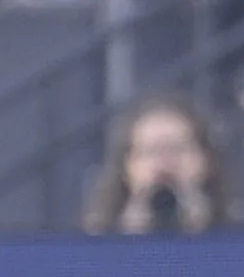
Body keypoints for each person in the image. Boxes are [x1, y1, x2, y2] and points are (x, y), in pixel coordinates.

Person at [82, 93, 230, 235]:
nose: (164, 162)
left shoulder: (239, 233)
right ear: (125, 168)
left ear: (206, 160)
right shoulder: (96, 238)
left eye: (177, 149)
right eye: (150, 151)